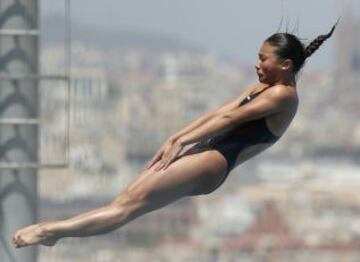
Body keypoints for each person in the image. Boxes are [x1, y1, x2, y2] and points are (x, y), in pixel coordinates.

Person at [13, 23, 336, 248]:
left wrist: (183, 142)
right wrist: (176, 137)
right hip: (204, 152)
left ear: (285, 64)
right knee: (124, 202)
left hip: (213, 163)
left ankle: (48, 230)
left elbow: (229, 118)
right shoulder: (266, 87)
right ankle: (56, 233)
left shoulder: (284, 97)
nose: (257, 65)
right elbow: (215, 112)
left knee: (127, 207)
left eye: (263, 59)